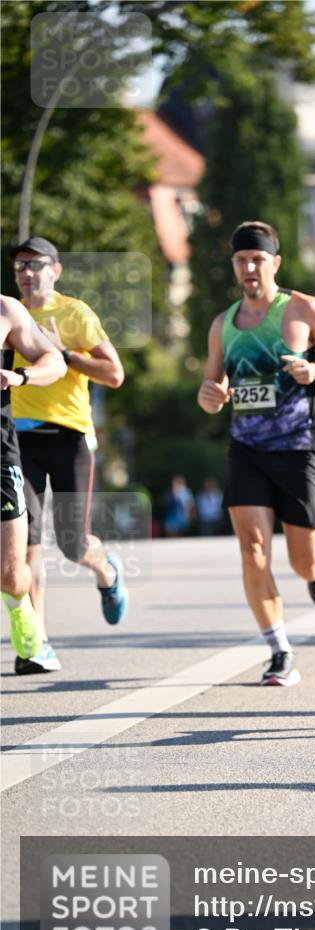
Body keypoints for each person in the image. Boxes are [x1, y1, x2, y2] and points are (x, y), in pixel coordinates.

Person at [197, 220, 315, 686]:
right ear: (234, 266)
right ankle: (279, 649)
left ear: (275, 264)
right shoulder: (222, 324)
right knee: (253, 549)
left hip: (300, 447)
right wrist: (210, 396)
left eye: (258, 260)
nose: (249, 268)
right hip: (247, 449)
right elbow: (211, 386)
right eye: (242, 260)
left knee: (303, 561)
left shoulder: (302, 309)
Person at [11, 235, 129, 675]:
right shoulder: (10, 315)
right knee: (24, 544)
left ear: (55, 270)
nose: (26, 273)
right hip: (18, 440)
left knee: (72, 544)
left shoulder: (74, 313)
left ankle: (108, 572)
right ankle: (35, 644)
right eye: (20, 266)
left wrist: (64, 354)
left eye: (35, 265)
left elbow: (114, 374)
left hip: (68, 436)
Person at [1, 294, 66, 667]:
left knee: (11, 573)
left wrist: (18, 375)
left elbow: (54, 361)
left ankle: (18, 601)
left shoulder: (6, 310)